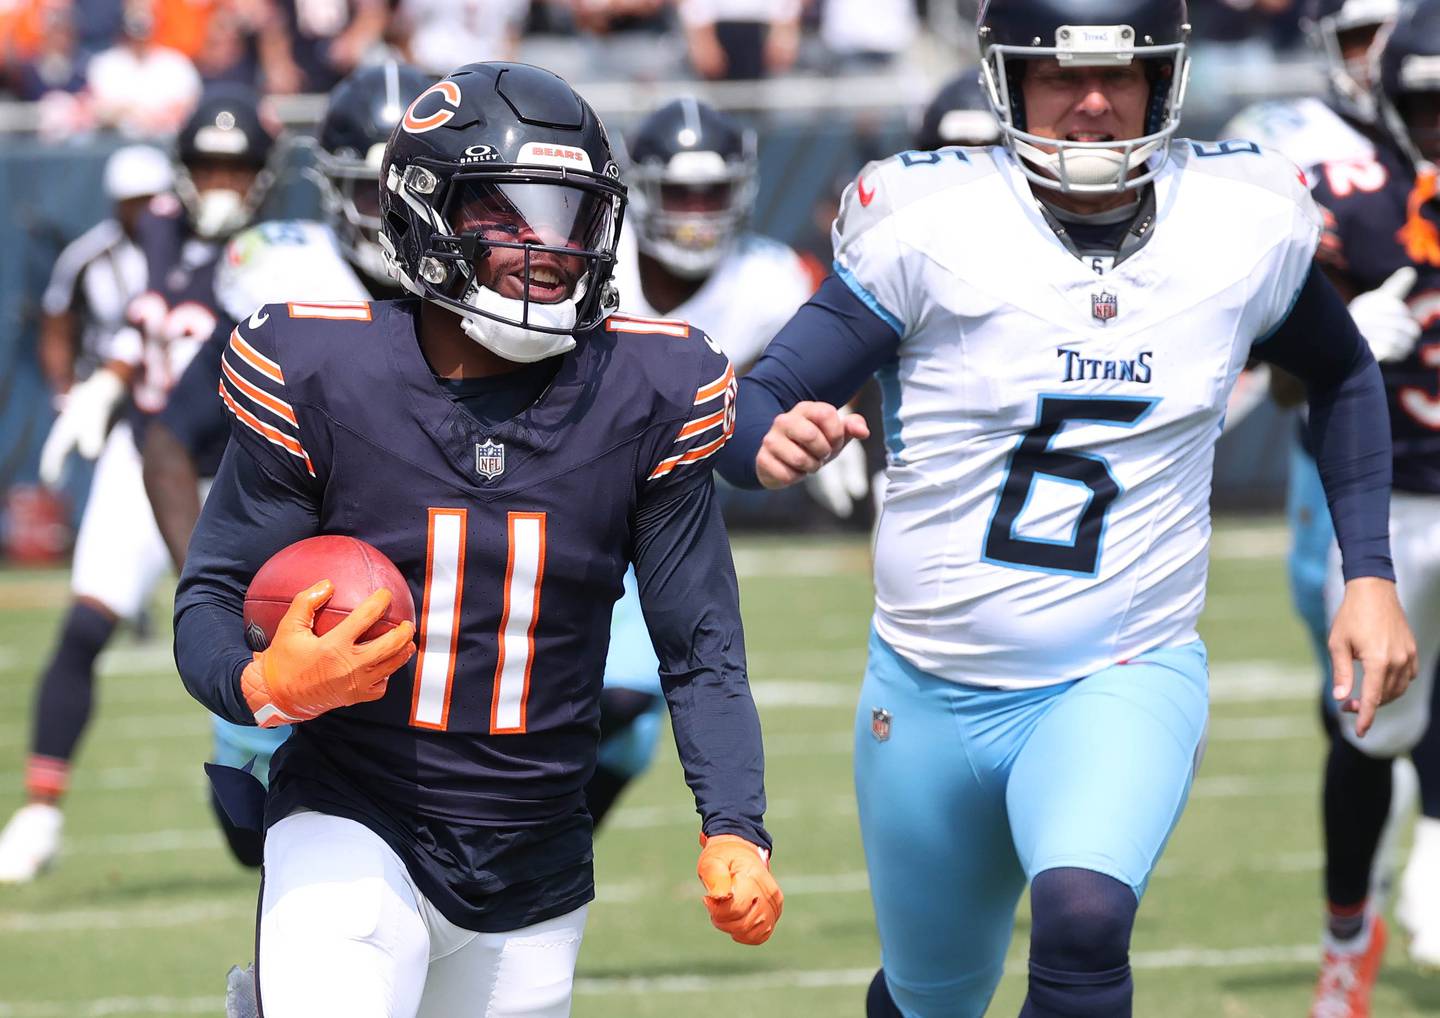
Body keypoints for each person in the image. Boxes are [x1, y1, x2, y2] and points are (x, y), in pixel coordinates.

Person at [712, 2, 1417, 1016]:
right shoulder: (929, 225)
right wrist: (759, 444)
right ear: (1006, 79)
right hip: (926, 688)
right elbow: (763, 396)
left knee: (1085, 921)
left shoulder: (1238, 217)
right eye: (1059, 76)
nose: (1091, 103)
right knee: (930, 995)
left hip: (1121, 666)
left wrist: (1371, 575)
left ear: (1163, 80)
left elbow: (1345, 376)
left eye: (1119, 76)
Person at [172, 62, 782, 1018]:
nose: (547, 248)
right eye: (508, 216)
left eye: (569, 216)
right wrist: (261, 684)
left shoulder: (648, 390)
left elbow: (701, 648)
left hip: (537, 858)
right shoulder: (325, 373)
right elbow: (209, 599)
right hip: (355, 812)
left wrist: (736, 823)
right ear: (423, 215)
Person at [141, 65, 431, 867]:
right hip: (298, 616)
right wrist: (210, 589)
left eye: (424, 192)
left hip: (442, 620)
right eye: (379, 193)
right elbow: (169, 435)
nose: (401, 219)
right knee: (255, 837)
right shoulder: (283, 280)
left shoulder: (497, 299)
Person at [0, 85, 277, 884]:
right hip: (146, 455)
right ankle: (41, 808)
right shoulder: (155, 228)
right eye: (208, 166)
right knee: (85, 625)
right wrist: (105, 385)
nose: (222, 182)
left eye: (238, 168)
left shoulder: (282, 246)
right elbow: (155, 321)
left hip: (245, 469)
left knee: (261, 636)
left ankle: (266, 782)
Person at [1304, 3, 1440, 1009]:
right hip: (1392, 498)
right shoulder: (1346, 195)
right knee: (1368, 728)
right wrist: (1336, 330)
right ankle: (1347, 932)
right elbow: (1262, 348)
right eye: (1425, 102)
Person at [38, 145, 174, 401]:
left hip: (170, 393)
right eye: (133, 203)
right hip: (98, 388)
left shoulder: (188, 252)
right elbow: (56, 326)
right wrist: (65, 392)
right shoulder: (86, 257)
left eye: (151, 201)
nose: (144, 212)